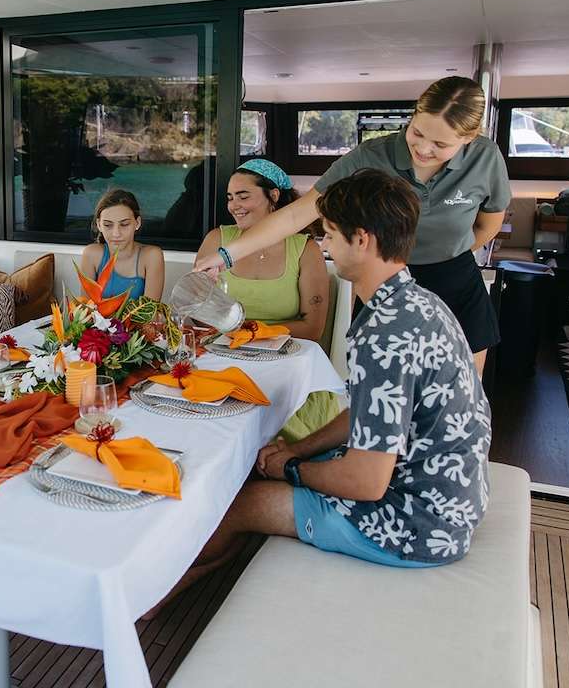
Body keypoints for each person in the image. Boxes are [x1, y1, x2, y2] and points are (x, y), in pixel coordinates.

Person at [158, 170, 491, 604]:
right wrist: (297, 449)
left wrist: (291, 469)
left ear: (362, 240)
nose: (327, 246)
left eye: (331, 234)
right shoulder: (419, 303)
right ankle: (180, 583)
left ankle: (153, 593)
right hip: (450, 495)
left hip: (416, 522)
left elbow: (366, 482)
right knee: (255, 470)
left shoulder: (385, 333)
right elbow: (367, 412)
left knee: (240, 503)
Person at [196, 77, 510, 372]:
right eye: (417, 133)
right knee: (379, 382)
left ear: (468, 138)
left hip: (455, 281)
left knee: (460, 387)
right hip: (383, 281)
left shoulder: (485, 157)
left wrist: (447, 254)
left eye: (440, 144)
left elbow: (488, 225)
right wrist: (226, 255)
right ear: (413, 115)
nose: (423, 149)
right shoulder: (372, 156)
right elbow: (296, 215)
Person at [194, 158, 337, 441]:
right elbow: (197, 315)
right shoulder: (216, 240)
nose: (234, 205)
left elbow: (313, 329)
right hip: (223, 361)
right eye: (230, 198)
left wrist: (247, 331)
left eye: (243, 196)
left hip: (285, 366)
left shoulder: (305, 249)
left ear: (273, 195)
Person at [79, 188, 165, 302]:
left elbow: (150, 310)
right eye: (108, 225)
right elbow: (85, 307)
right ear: (99, 225)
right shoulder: (91, 254)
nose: (116, 234)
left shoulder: (151, 256)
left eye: (124, 224)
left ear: (137, 223)